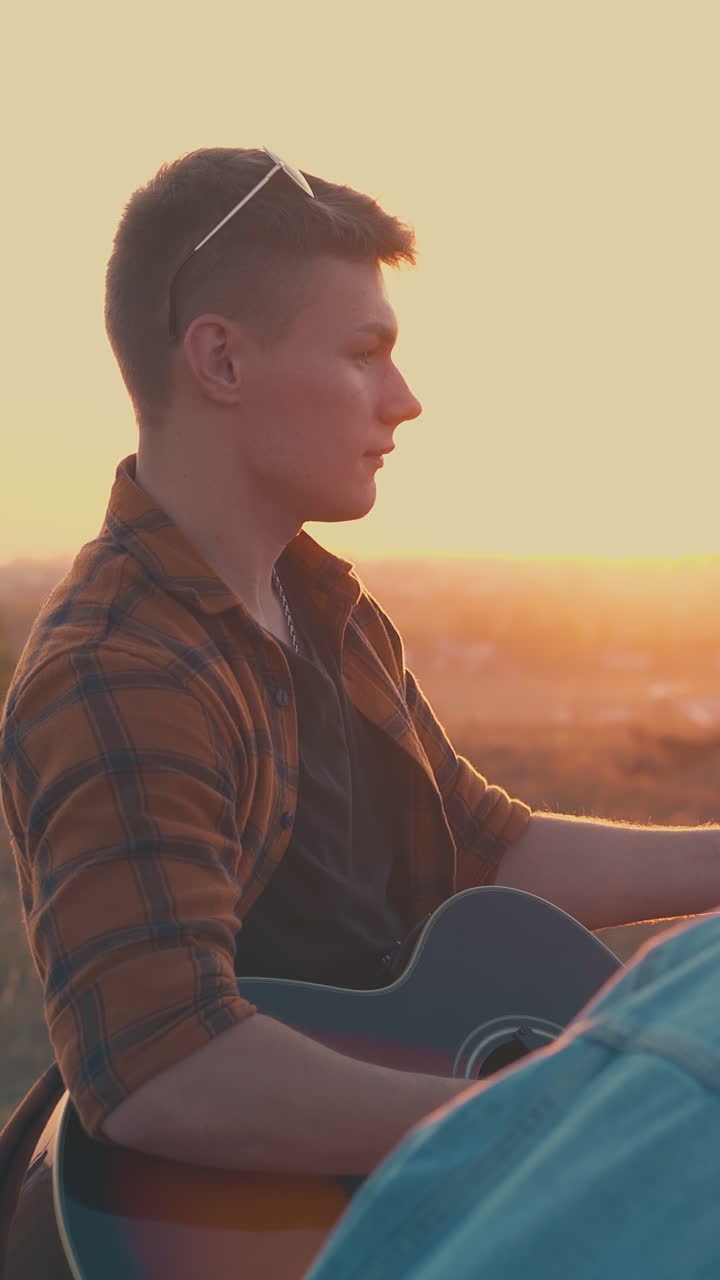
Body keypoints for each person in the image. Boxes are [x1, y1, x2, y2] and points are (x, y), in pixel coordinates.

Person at [1, 144, 719, 1275]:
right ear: (221, 361)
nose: (406, 397)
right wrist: (528, 1122)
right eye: (364, 352)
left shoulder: (322, 604)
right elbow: (164, 1075)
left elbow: (486, 851)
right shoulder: (119, 669)